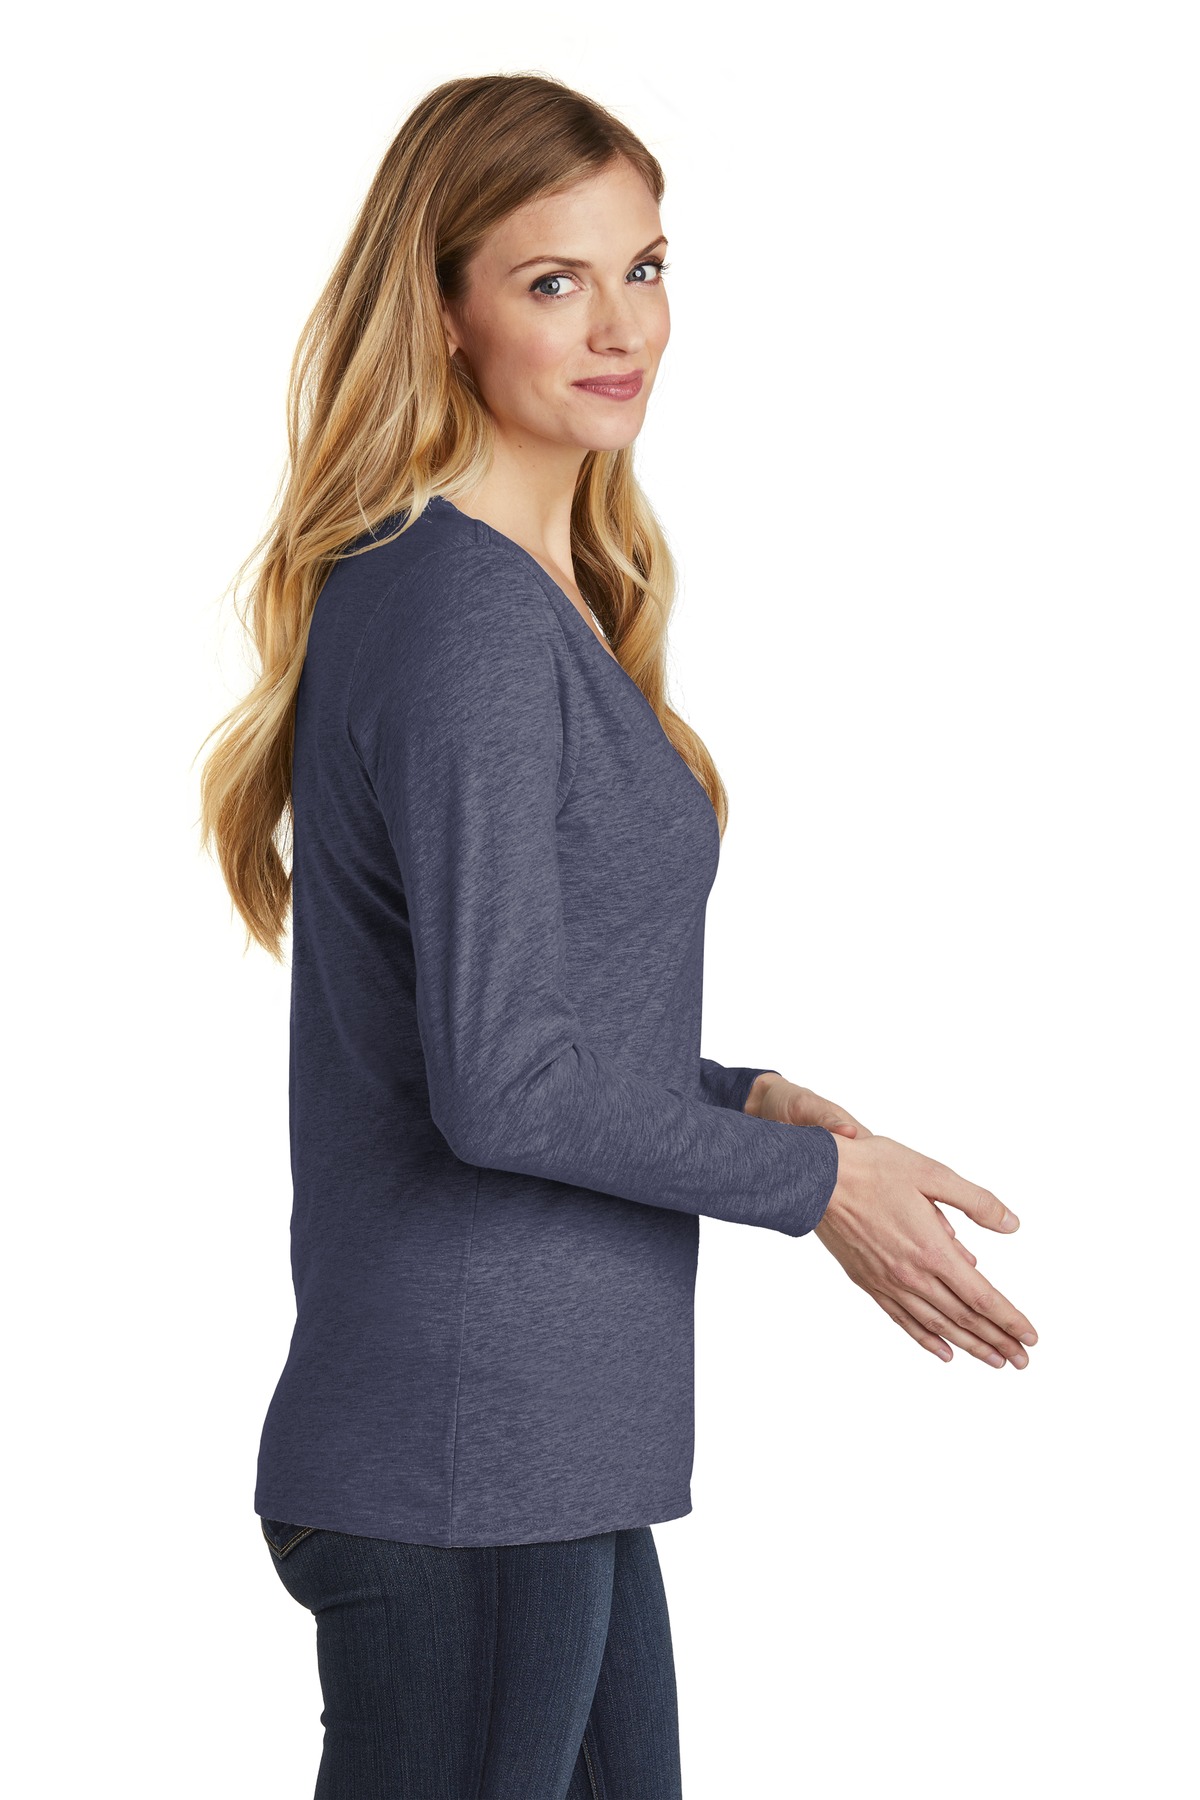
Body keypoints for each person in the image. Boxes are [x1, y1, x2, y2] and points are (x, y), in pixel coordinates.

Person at [198, 71, 1037, 1800]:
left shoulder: (531, 595)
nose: (622, 326)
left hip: (544, 1454)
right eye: (553, 280)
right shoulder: (461, 615)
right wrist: (818, 1190)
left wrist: (755, 1101)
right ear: (444, 310)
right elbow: (503, 1088)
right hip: (467, 1453)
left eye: (644, 268)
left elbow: (520, 1028)